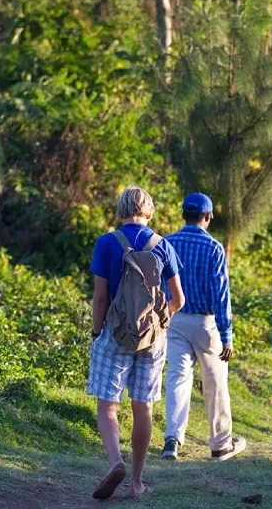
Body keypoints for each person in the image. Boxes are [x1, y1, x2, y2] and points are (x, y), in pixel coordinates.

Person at [88, 185, 185, 499]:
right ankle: (136, 483)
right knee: (143, 406)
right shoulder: (163, 245)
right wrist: (160, 320)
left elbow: (100, 298)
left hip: (115, 334)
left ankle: (116, 462)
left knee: (108, 405)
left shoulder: (107, 243)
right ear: (149, 210)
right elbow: (179, 299)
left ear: (121, 209)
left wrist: (96, 330)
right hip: (152, 338)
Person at [160, 193, 247, 462]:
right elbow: (221, 295)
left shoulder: (167, 244)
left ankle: (172, 440)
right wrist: (227, 336)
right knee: (215, 382)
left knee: (177, 378)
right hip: (205, 322)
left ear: (183, 214)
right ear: (208, 217)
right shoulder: (214, 248)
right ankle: (220, 444)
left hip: (174, 319)